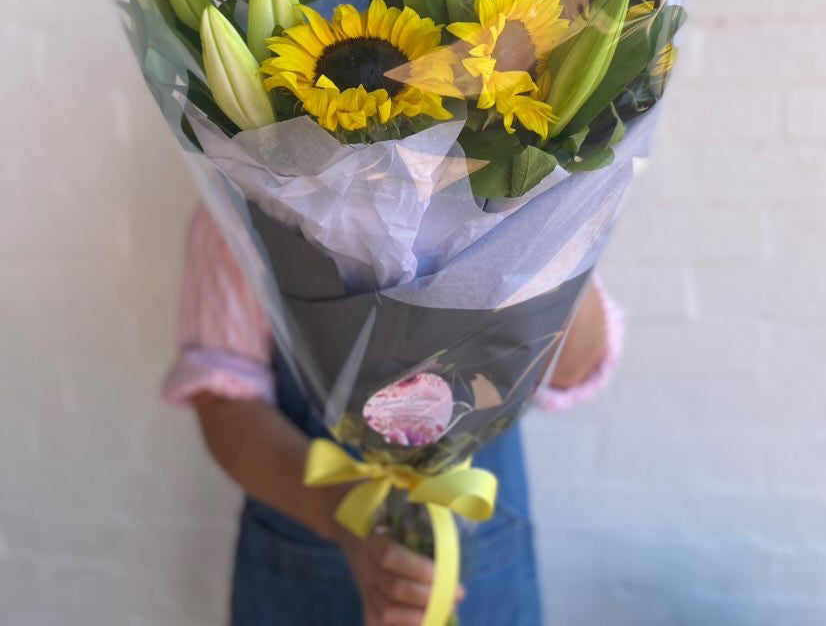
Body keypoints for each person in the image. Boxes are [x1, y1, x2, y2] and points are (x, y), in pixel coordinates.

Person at [164, 207, 623, 626]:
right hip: (305, 564)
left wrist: (545, 218)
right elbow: (224, 405)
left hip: (482, 564)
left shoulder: (507, 193)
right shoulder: (250, 193)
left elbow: (573, 366)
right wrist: (344, 509)